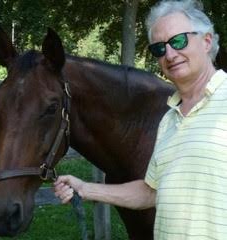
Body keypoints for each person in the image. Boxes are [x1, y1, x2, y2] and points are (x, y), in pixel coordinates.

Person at [54, 0, 227, 239]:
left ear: (206, 41)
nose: (169, 54)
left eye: (178, 41)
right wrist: (85, 188)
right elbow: (150, 192)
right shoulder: (169, 120)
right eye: (159, 48)